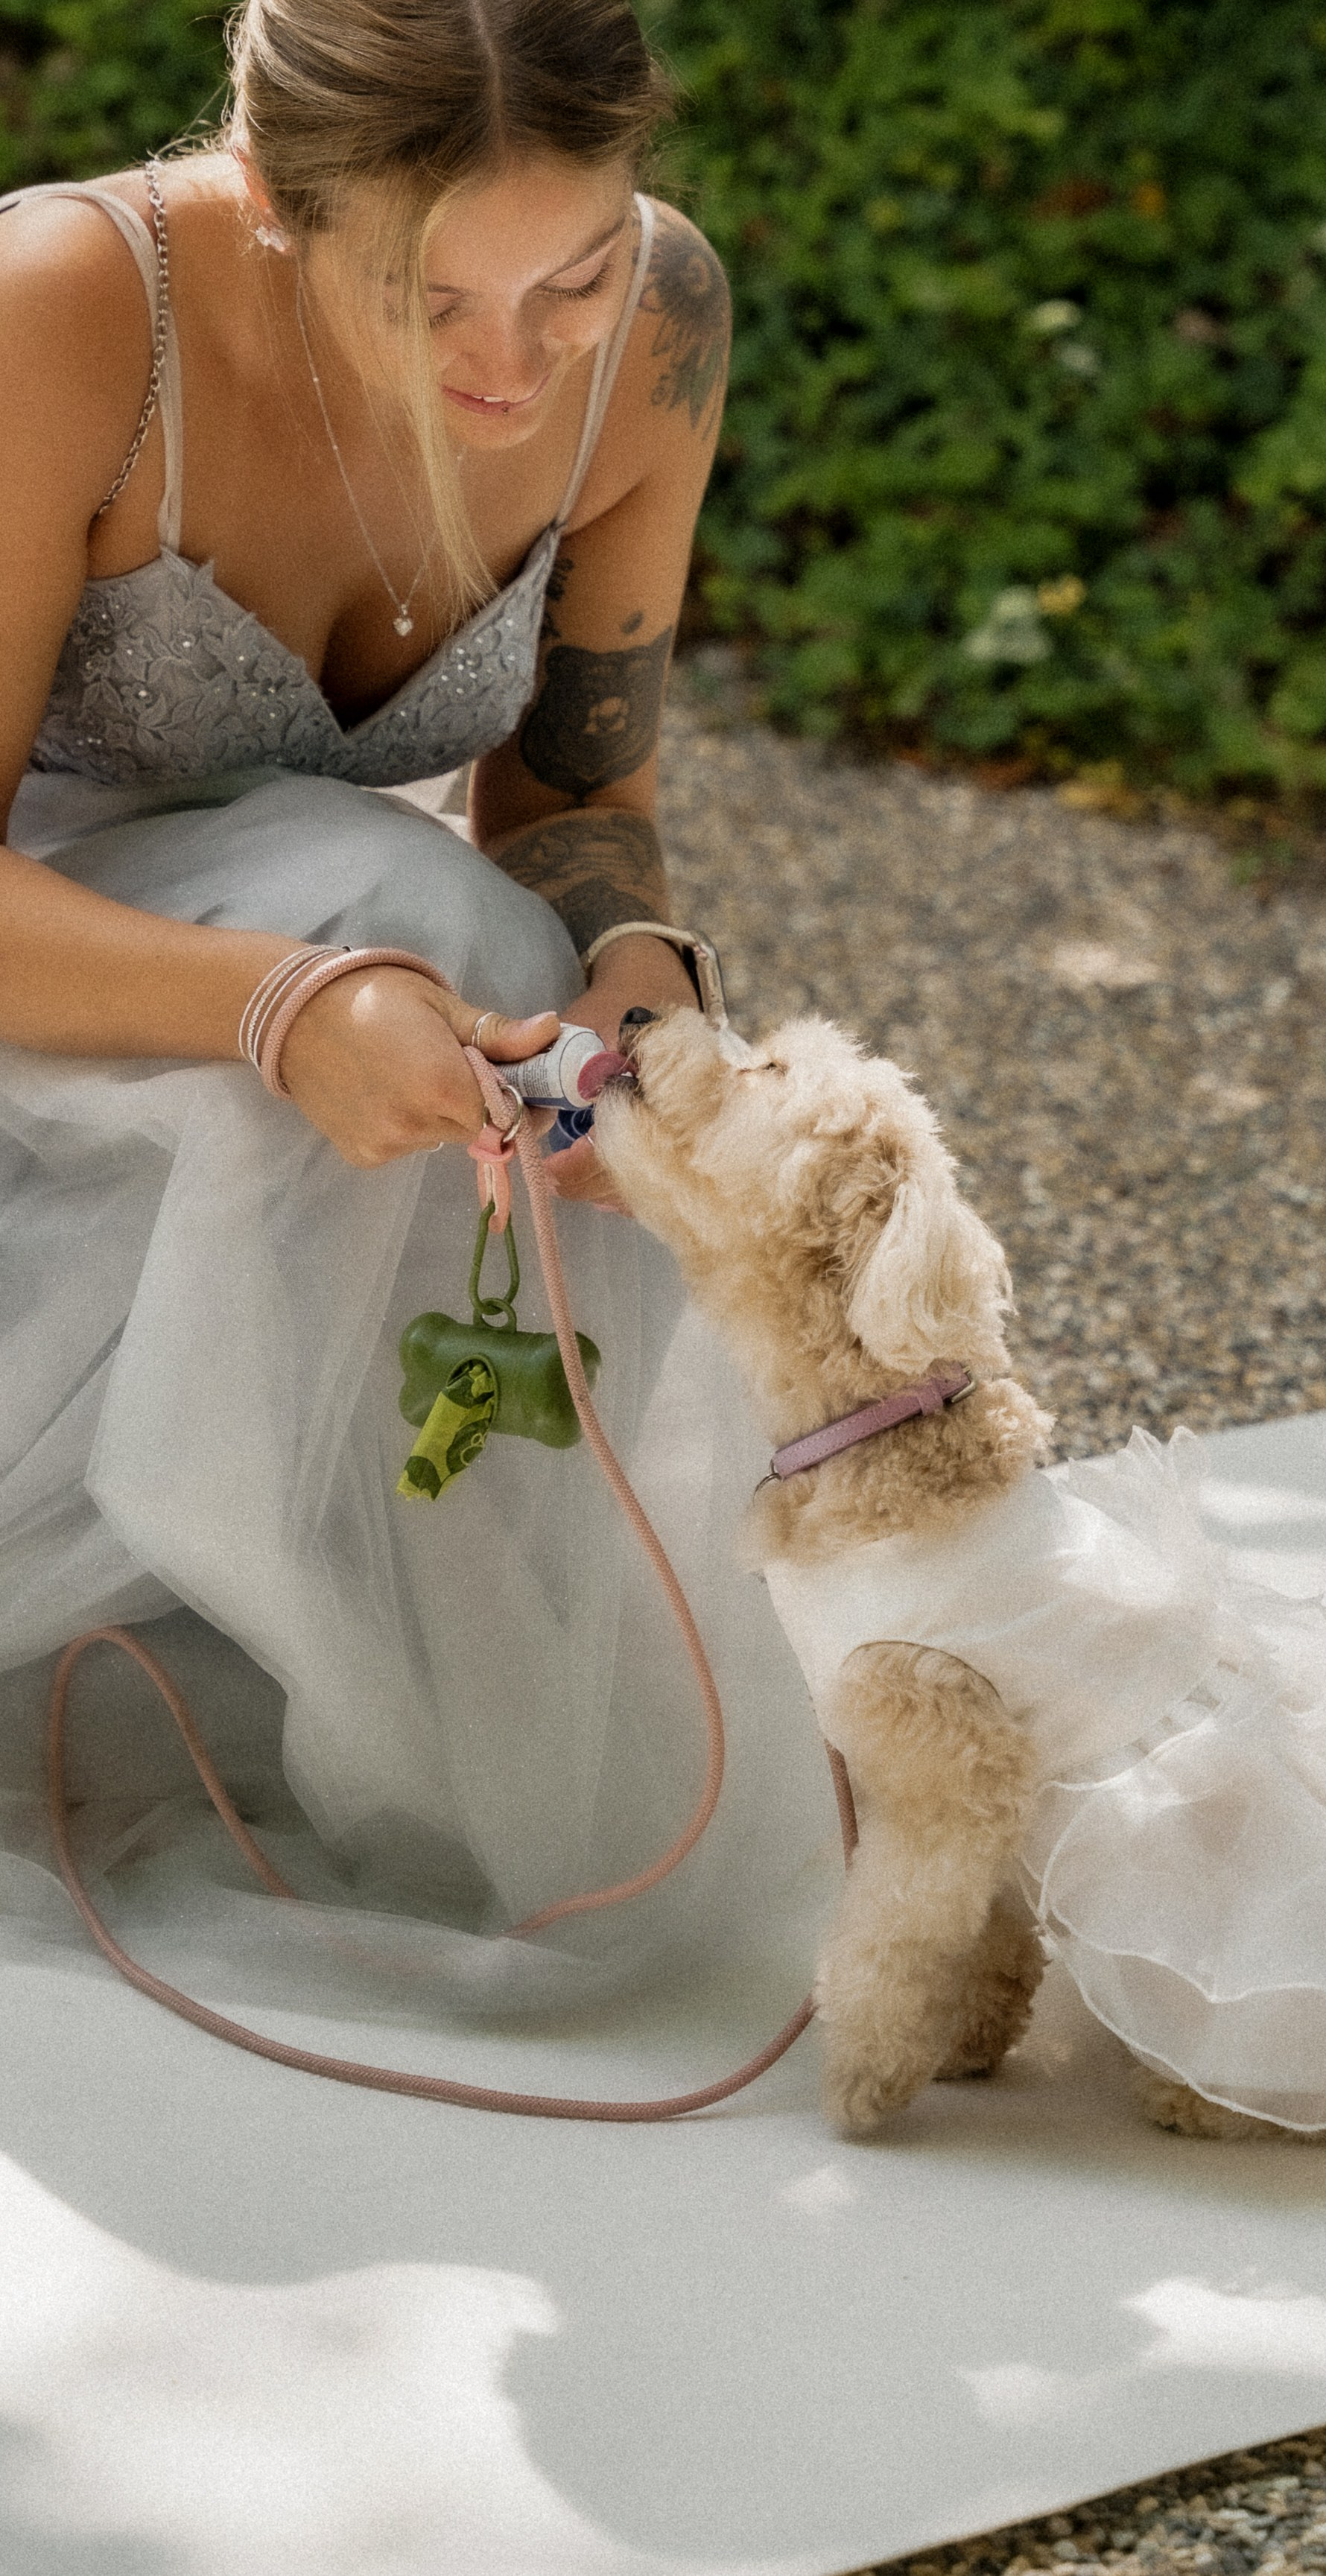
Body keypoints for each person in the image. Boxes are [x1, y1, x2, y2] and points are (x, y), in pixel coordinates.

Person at [0, 0, 833, 2026]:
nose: (513, 364)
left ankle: (422, 1710)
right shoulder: (67, 310)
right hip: (45, 1015)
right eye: (431, 294)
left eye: (571, 275)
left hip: (289, 986)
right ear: (278, 207)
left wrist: (651, 1017)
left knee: (505, 965)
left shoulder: (660, 332)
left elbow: (575, 794)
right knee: (386, 900)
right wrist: (287, 1002)